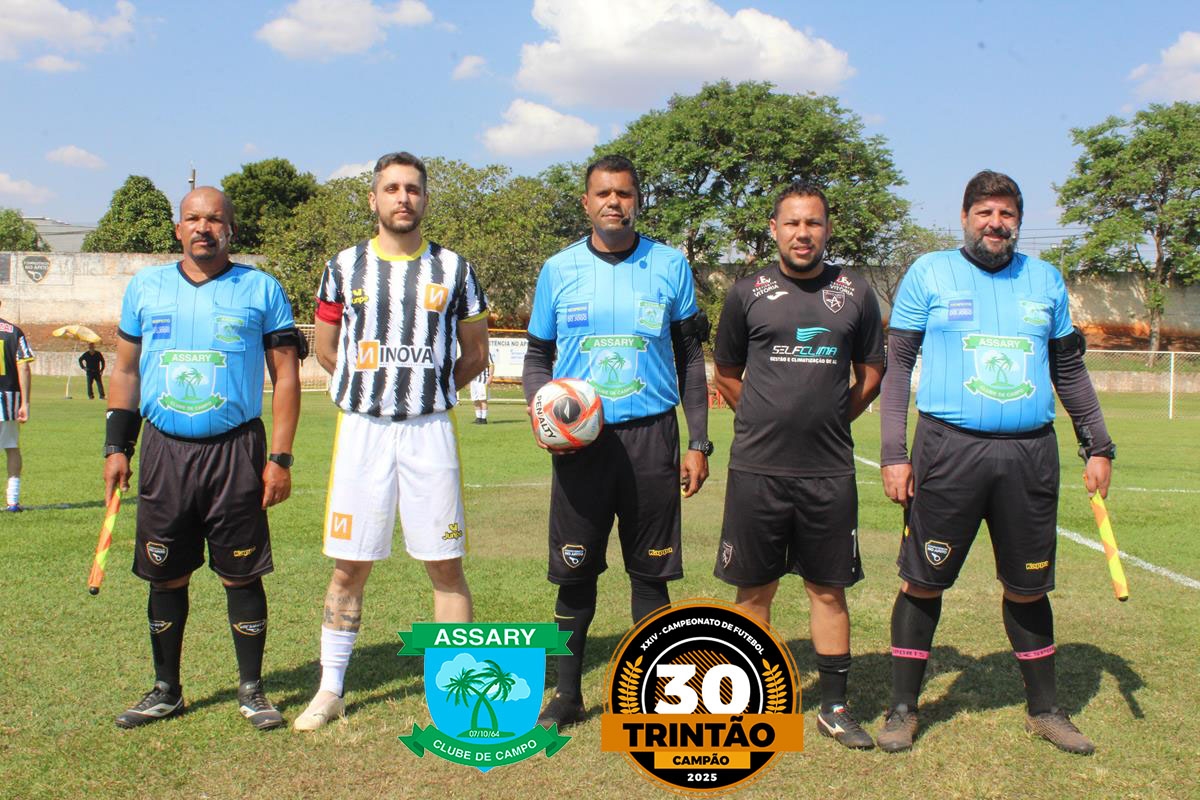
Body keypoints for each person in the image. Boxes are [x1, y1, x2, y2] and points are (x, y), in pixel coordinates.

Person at [876, 170, 1115, 755]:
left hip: (1030, 454)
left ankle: (1045, 711)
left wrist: (1098, 444)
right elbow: (898, 367)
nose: (995, 223)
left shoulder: (1045, 280)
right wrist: (893, 454)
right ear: (964, 217)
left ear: (1018, 221)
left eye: (1006, 213)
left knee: (1029, 588)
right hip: (947, 450)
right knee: (922, 581)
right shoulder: (929, 272)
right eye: (984, 212)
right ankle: (903, 709)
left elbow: (1069, 370)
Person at [294, 151, 489, 731]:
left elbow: (475, 354)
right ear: (374, 198)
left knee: (445, 566)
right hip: (363, 430)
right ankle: (330, 689)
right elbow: (326, 349)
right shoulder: (342, 266)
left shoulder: (454, 268)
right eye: (392, 188)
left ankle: (453, 693)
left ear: (425, 198)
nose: (403, 197)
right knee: (349, 566)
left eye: (413, 189)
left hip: (429, 431)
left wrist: (428, 390)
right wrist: (370, 389)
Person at [103, 187, 304, 730]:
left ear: (230, 230)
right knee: (165, 575)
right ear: (178, 229)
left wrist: (280, 457)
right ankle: (166, 689)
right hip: (164, 450)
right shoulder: (146, 287)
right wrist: (117, 447)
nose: (204, 227)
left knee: (241, 574)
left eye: (215, 219)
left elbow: (286, 377)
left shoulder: (260, 289)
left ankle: (253, 690)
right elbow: (125, 370)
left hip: (236, 451)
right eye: (193, 218)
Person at [522, 154, 711, 729]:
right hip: (581, 443)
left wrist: (698, 441)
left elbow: (691, 358)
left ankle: (660, 697)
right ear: (586, 202)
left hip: (652, 436)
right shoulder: (558, 269)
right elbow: (536, 356)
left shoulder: (670, 265)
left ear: (637, 201)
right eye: (603, 193)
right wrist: (540, 414)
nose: (614, 202)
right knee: (574, 573)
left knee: (650, 575)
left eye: (624, 194)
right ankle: (567, 696)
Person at [712, 180, 884, 750]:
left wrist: (831, 417)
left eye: (813, 223)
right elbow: (727, 373)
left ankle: (833, 708)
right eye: (792, 223)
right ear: (774, 229)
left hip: (828, 471)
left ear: (827, 229)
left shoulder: (856, 293)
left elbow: (871, 374)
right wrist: (765, 417)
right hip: (757, 470)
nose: (802, 233)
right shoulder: (746, 293)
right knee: (753, 592)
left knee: (828, 590)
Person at [0, 301, 33, 512]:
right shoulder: (13, 332)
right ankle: (12, 501)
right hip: (8, 399)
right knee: (11, 448)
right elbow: (24, 368)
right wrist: (25, 403)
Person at [469, 352, 494, 424]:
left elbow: (491, 365)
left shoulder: (486, 352)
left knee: (483, 399)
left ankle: (484, 418)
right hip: (473, 380)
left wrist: (491, 376)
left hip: (483, 380)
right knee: (475, 399)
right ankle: (478, 417)